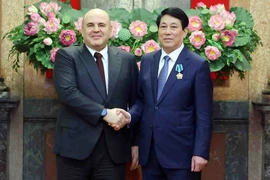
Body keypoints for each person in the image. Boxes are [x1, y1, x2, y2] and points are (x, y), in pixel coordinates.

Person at [120, 7, 213, 180]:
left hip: (182, 154)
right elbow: (142, 101)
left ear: (184, 32)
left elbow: (204, 114)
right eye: (163, 27)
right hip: (150, 152)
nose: (167, 32)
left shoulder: (197, 65)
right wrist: (129, 117)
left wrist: (200, 152)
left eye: (173, 27)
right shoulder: (148, 61)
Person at [53, 8, 139, 180]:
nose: (96, 29)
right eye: (90, 25)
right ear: (82, 30)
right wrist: (105, 113)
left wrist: (135, 142)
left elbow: (136, 101)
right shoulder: (67, 56)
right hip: (74, 149)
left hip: (113, 150)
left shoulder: (127, 59)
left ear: (110, 30)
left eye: (101, 25)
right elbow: (68, 93)